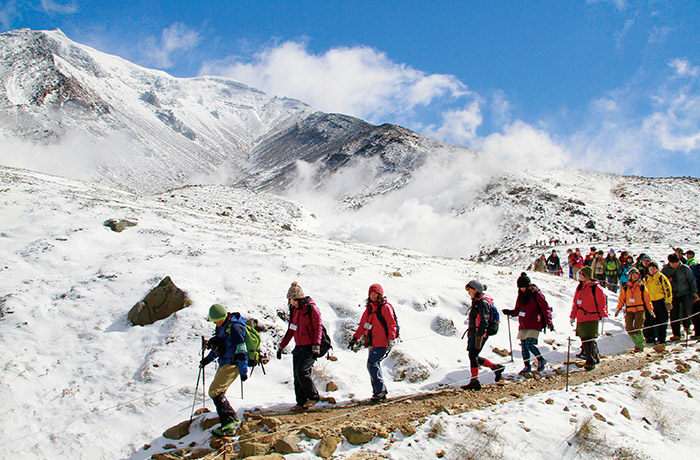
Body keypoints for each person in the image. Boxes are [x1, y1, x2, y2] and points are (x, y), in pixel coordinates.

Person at [199, 304, 249, 437]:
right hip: (225, 363)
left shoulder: (235, 328)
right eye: (215, 320)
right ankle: (231, 419)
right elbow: (220, 347)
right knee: (218, 392)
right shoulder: (223, 327)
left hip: (232, 365)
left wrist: (243, 371)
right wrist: (207, 360)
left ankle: (229, 423)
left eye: (218, 320)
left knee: (215, 392)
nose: (216, 322)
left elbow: (242, 350)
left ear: (224, 316)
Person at [276, 282, 323, 411]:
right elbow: (291, 330)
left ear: (300, 299)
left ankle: (313, 396)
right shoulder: (294, 311)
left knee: (302, 371)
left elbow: (318, 327)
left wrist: (316, 345)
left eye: (294, 300)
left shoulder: (311, 309)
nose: (292, 303)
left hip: (310, 347)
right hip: (299, 346)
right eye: (290, 301)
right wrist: (281, 347)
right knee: (296, 375)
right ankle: (301, 402)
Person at [348, 284, 397, 401]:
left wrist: (391, 338)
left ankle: (380, 390)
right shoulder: (369, 309)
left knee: (372, 364)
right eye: (371, 293)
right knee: (372, 365)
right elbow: (363, 326)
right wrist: (355, 338)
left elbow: (391, 324)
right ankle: (378, 391)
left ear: (380, 294)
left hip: (383, 342)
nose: (373, 296)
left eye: (376, 293)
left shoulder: (385, 307)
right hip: (372, 343)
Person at [501, 273, 554, 374]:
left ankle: (540, 359)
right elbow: (518, 310)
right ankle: (527, 366)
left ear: (529, 285)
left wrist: (549, 322)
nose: (522, 289)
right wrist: (511, 312)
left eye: (524, 287)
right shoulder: (521, 296)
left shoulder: (536, 294)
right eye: (520, 288)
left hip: (534, 323)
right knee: (524, 347)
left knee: (529, 344)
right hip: (523, 324)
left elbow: (545, 308)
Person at [462, 280, 505, 390]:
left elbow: (484, 320)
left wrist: (480, 336)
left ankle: (475, 380)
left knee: (473, 355)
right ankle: (495, 368)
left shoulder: (482, 302)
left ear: (475, 289)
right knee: (473, 355)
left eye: (469, 290)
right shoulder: (477, 301)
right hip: (474, 332)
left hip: (479, 333)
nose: (468, 292)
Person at [570, 266, 608, 370]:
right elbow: (575, 303)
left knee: (589, 338)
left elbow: (601, 302)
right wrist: (572, 316)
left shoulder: (595, 287)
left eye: (582, 274)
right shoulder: (580, 287)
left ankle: (590, 361)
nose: (580, 276)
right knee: (584, 338)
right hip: (581, 316)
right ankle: (595, 356)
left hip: (592, 316)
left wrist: (603, 315)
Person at [615, 268, 654, 352]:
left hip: (640, 309)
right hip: (629, 309)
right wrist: (618, 308)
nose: (635, 276)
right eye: (633, 274)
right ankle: (639, 342)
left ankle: (639, 345)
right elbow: (622, 299)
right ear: (630, 276)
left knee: (637, 328)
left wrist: (650, 309)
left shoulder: (642, 286)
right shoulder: (626, 287)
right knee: (629, 328)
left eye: (636, 274)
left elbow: (647, 299)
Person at [662, 254, 700, 340]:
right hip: (673, 295)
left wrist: (694, 293)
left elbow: (691, 281)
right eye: (672, 263)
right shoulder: (666, 270)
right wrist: (668, 280)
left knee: (686, 311)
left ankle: (687, 327)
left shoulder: (685, 269)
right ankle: (676, 334)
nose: (675, 264)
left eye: (676, 262)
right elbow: (662, 281)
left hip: (685, 293)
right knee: (674, 313)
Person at [643, 262, 673, 345]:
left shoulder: (661, 277)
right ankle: (650, 337)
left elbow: (667, 289)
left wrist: (668, 301)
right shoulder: (646, 279)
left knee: (662, 320)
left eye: (654, 268)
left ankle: (662, 338)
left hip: (660, 301)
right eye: (650, 269)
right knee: (649, 321)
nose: (652, 270)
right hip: (650, 302)